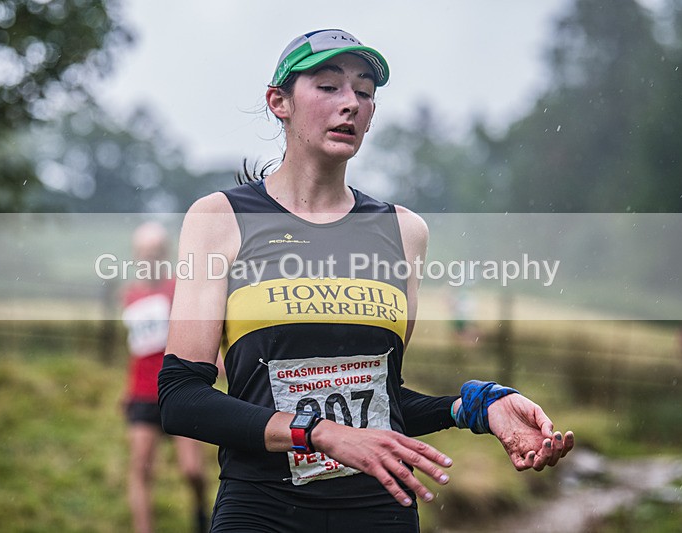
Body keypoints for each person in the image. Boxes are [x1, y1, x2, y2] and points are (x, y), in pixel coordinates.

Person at [159, 29, 574, 532]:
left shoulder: (404, 232)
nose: (351, 104)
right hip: (262, 510)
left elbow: (382, 403)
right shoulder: (220, 219)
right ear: (279, 102)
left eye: (364, 91)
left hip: (379, 512)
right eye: (329, 86)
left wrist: (476, 407)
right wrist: (318, 433)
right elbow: (181, 398)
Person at [121, 221, 210, 533]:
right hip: (142, 395)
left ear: (165, 254)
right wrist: (126, 391)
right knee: (141, 471)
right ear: (136, 256)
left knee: (192, 471)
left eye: (156, 252)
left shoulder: (178, 289)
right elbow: (137, 350)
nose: (149, 258)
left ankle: (202, 510)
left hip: (177, 389)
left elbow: (199, 333)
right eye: (144, 253)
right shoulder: (129, 296)